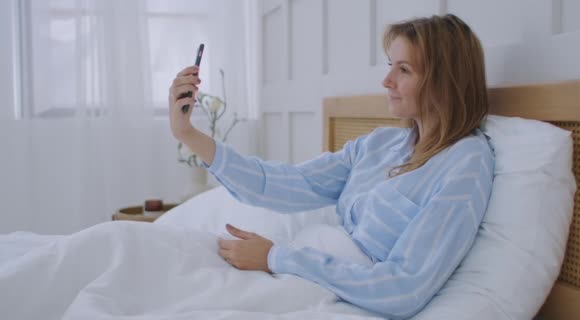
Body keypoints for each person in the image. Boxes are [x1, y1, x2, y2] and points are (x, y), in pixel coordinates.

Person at [168, 14, 494, 320]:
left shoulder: (465, 163)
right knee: (153, 259)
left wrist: (274, 257)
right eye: (390, 66)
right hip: (304, 263)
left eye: (404, 70)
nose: (386, 81)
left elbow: (405, 287)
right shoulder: (379, 145)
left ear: (444, 80)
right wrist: (189, 134)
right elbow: (285, 183)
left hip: (318, 280)